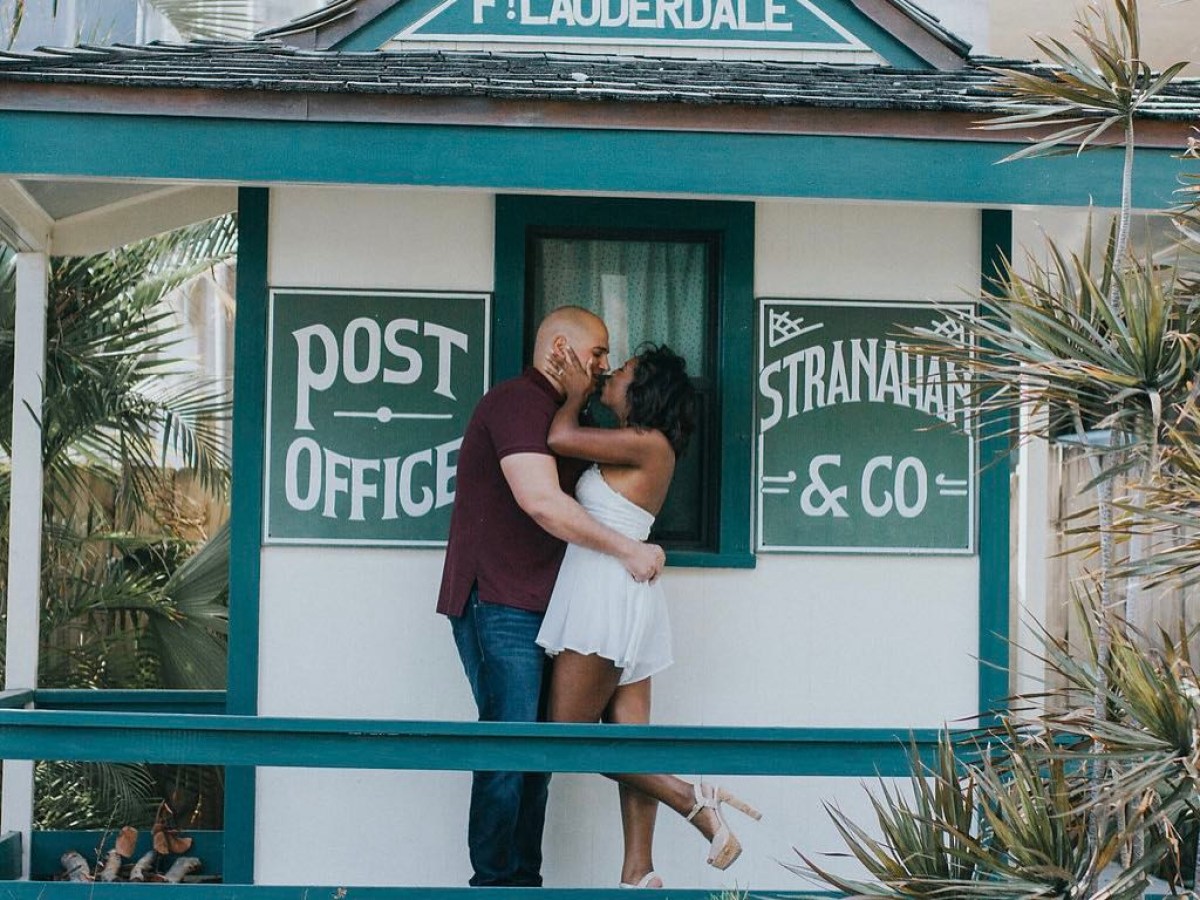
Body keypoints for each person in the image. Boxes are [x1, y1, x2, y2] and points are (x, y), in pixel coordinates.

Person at [437, 305, 667, 888]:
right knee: (511, 747)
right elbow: (540, 502)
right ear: (560, 349)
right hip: (500, 601)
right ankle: (494, 884)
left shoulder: (571, 415)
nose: (604, 366)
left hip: (551, 609)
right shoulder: (516, 401)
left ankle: (524, 881)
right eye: (597, 354)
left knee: (537, 758)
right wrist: (629, 549)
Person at [536, 342, 761, 889]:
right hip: (624, 593)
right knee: (634, 744)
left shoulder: (647, 444)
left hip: (603, 595)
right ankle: (639, 873)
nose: (609, 374)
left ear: (643, 394)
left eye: (623, 372)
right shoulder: (640, 444)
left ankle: (693, 800)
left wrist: (571, 393)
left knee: (563, 733)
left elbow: (558, 438)